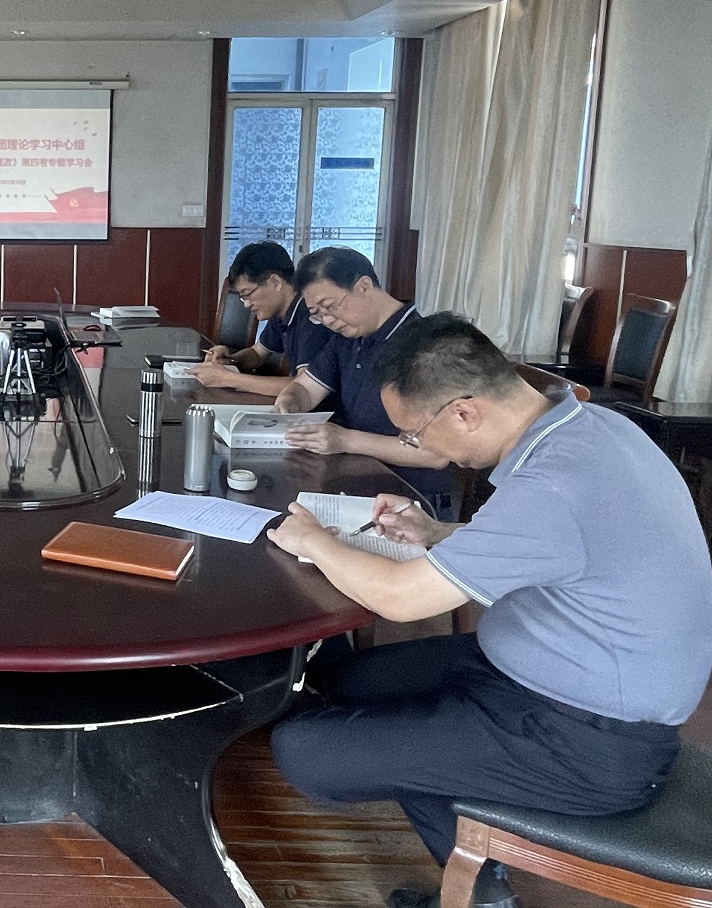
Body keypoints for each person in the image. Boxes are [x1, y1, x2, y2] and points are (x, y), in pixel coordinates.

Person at [266, 312, 712, 908]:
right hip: (538, 671)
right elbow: (554, 547)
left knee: (304, 751)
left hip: (592, 741)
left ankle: (482, 891)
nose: (419, 449)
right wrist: (436, 534)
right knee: (350, 680)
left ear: (463, 413)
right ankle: (481, 889)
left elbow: (400, 600)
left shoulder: (554, 483)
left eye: (413, 435)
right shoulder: (592, 428)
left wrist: (315, 541)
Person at [272, 246, 453, 505]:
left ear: (364, 286)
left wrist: (346, 440)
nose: (327, 320)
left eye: (329, 307)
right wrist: (290, 402)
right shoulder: (347, 338)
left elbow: (435, 454)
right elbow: (306, 387)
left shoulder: (426, 345)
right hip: (357, 484)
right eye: (317, 314)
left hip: (412, 499)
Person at [190, 241, 333, 396]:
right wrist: (229, 360)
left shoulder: (311, 315)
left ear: (275, 282)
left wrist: (228, 378)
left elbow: (304, 385)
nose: (246, 304)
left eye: (247, 294)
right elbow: (257, 353)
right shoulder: (280, 312)